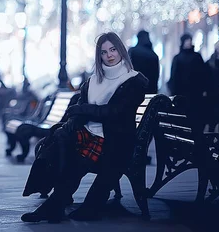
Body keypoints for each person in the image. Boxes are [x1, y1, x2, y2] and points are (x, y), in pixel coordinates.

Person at [21, 32, 148, 223]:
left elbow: (116, 111)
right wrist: (73, 121)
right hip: (89, 136)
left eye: (113, 50)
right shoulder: (93, 80)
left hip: (117, 143)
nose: (109, 55)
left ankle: (59, 206)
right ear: (99, 56)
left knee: (76, 158)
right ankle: (54, 206)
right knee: (63, 147)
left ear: (121, 50)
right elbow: (80, 111)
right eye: (104, 52)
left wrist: (83, 109)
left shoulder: (135, 81)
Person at [167, 34, 209, 126]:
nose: (189, 43)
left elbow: (203, 74)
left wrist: (203, 89)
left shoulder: (196, 56)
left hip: (195, 93)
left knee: (194, 117)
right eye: (187, 41)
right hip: (182, 92)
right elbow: (174, 76)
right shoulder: (178, 58)